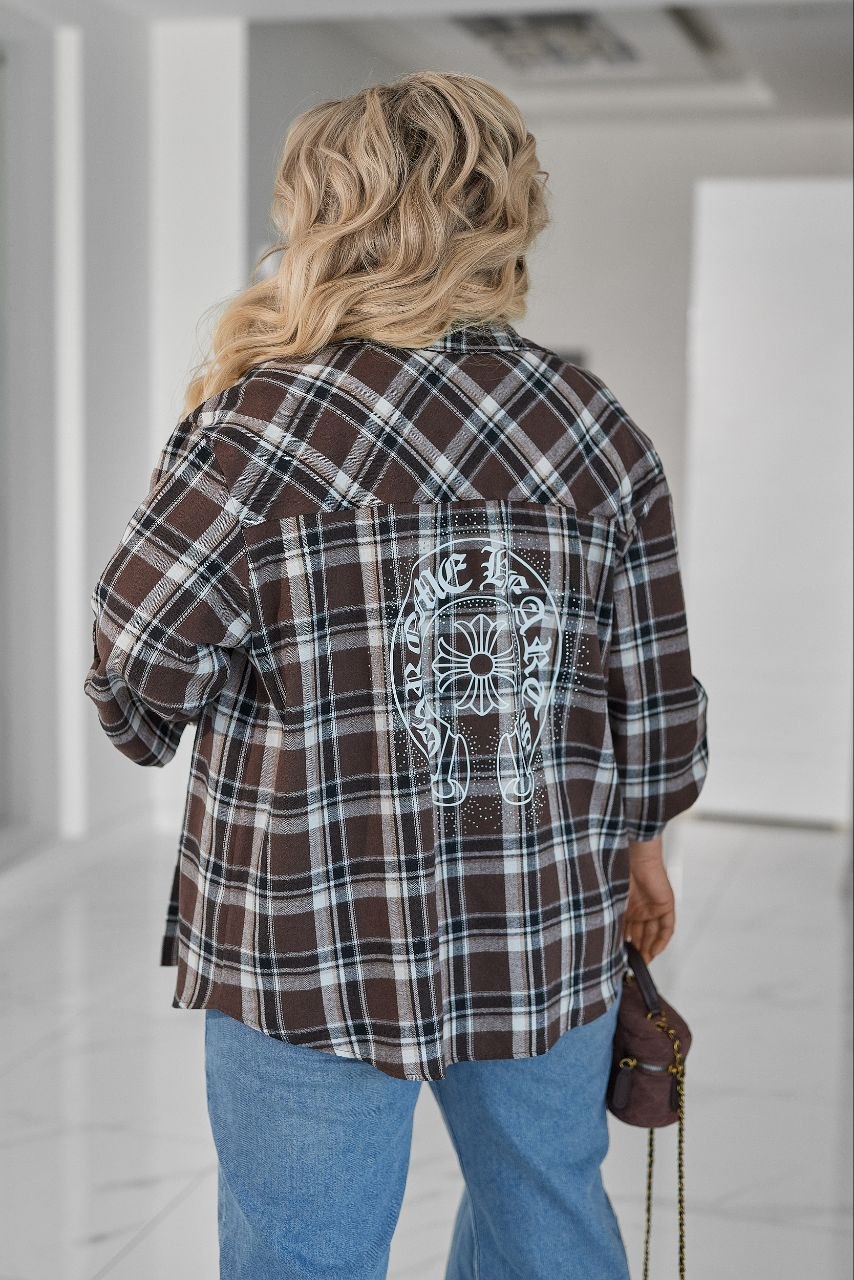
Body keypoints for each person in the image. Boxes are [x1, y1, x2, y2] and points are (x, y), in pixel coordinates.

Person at [84, 70, 708, 1280]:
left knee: (302, 1254)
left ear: (324, 213)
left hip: (303, 930)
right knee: (547, 1223)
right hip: (541, 913)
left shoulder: (255, 424)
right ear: (506, 211)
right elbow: (654, 704)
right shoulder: (593, 426)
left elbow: (137, 681)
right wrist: (641, 852)